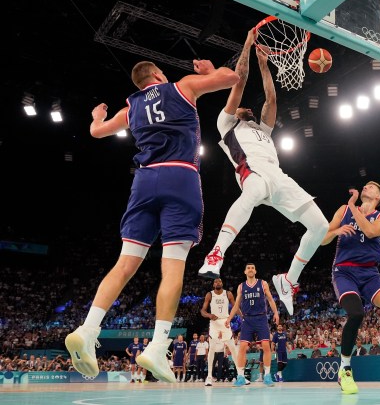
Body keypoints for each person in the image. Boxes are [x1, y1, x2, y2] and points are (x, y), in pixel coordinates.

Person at [63, 59, 240, 383]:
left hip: (144, 182)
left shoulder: (131, 108)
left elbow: (97, 132)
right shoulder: (182, 86)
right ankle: (158, 347)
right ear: (158, 75)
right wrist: (210, 71)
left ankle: (88, 330)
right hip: (181, 177)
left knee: (124, 264)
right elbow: (232, 78)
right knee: (172, 267)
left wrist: (97, 117)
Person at [197, 30, 329, 316]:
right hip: (252, 173)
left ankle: (288, 280)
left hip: (279, 177)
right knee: (253, 191)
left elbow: (271, 99)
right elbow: (240, 79)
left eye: (248, 108)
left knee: (320, 226)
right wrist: (247, 43)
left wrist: (265, 64)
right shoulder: (227, 124)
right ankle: (216, 253)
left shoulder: (263, 130)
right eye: (243, 106)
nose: (247, 107)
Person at [321, 184, 380, 394]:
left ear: (377, 196)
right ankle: (345, 370)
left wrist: (353, 207)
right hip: (344, 272)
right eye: (366, 184)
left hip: (370, 273)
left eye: (372, 186)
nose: (366, 185)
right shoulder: (343, 210)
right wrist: (336, 231)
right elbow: (322, 239)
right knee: (356, 313)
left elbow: (369, 232)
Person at [225, 263, 279, 387]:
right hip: (247, 319)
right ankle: (240, 376)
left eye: (252, 268)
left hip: (261, 318)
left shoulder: (263, 283)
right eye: (248, 268)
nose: (250, 270)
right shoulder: (241, 286)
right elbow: (236, 305)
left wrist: (276, 313)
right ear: (245, 272)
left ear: (255, 271)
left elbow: (270, 299)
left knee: (266, 345)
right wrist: (229, 318)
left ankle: (267, 375)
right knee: (242, 347)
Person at [200, 278, 241, 386]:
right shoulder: (210, 294)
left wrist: (243, 317)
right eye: (216, 282)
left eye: (220, 281)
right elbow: (202, 311)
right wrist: (209, 315)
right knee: (212, 348)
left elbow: (235, 307)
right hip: (214, 323)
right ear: (213, 284)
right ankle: (209, 377)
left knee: (232, 348)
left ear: (222, 283)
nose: (218, 283)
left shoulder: (228, 294)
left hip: (225, 321)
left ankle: (241, 375)